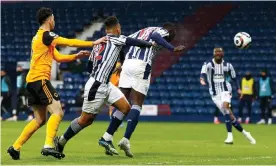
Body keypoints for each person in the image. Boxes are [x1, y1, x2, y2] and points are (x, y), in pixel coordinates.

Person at [7, 7, 106, 160]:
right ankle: (48, 145)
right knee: (58, 111)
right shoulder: (46, 35)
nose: (55, 21)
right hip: (40, 80)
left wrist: (75, 56)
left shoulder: (39, 38)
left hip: (31, 82)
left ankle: (15, 147)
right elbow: (66, 41)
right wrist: (94, 42)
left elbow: (58, 57)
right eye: (53, 18)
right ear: (49, 19)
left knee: (39, 120)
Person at [54, 16, 154, 157]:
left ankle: (106, 138)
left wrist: (103, 67)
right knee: (85, 120)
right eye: (120, 28)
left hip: (105, 84)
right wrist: (150, 44)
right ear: (117, 28)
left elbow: (89, 66)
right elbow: (136, 42)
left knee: (125, 108)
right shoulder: (116, 38)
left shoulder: (98, 44)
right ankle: (61, 141)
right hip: (96, 86)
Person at [110, 23, 185, 157]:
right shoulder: (161, 31)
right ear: (170, 31)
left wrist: (122, 62)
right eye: (171, 37)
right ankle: (126, 139)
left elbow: (123, 41)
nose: (170, 39)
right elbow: (156, 36)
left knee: (122, 103)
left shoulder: (141, 30)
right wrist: (172, 48)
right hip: (141, 65)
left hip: (127, 64)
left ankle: (108, 136)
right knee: (137, 104)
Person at [200, 47, 256, 145]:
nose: (218, 53)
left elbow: (234, 78)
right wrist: (202, 79)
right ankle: (246, 133)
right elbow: (203, 73)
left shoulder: (228, 65)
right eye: (216, 52)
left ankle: (230, 136)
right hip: (214, 94)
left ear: (223, 54)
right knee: (231, 117)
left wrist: (238, 89)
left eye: (219, 52)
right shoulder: (208, 64)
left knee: (225, 108)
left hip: (226, 90)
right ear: (213, 54)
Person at [109, 62, 124, 128]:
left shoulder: (120, 63)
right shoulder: (115, 63)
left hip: (118, 86)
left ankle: (117, 121)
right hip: (112, 86)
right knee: (112, 107)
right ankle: (113, 122)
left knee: (119, 106)